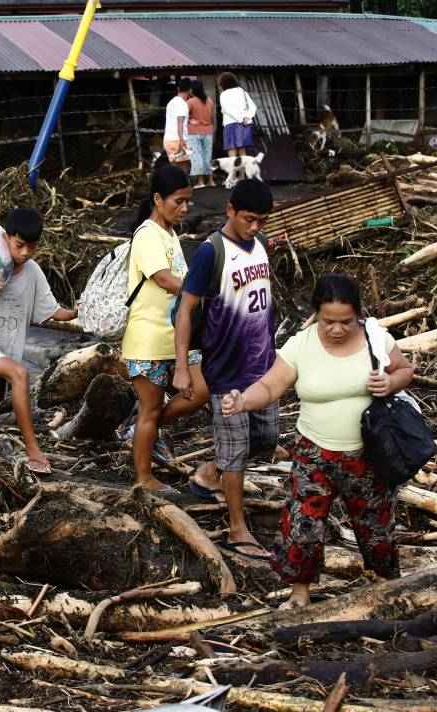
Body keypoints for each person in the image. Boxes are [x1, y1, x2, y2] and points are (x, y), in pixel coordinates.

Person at [221, 274, 414, 609]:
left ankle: (385, 584)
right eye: (328, 322)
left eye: (346, 322)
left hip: (368, 453)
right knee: (304, 523)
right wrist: (243, 401)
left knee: (376, 523)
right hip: (314, 453)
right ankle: (300, 591)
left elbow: (404, 369)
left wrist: (390, 381)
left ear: (358, 316)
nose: (337, 329)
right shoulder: (302, 344)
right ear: (316, 315)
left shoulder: (375, 338)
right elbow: (270, 386)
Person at [173, 177, 276, 560]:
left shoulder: (262, 245)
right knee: (236, 449)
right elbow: (184, 309)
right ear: (230, 210)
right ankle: (237, 528)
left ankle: (208, 473)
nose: (255, 227)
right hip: (227, 367)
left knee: (265, 439)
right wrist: (183, 366)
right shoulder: (210, 252)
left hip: (262, 364)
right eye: (249, 219)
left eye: (262, 220)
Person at [0, 207, 78, 475]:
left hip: (2, 350)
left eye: (32, 247)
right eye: (19, 245)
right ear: (6, 237)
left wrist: (74, 313)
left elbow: (52, 310)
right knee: (20, 374)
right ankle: (33, 451)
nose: (25, 253)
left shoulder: (32, 272)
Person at [122, 166, 209, 498]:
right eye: (179, 201)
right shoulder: (147, 234)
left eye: (188, 201)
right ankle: (143, 478)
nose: (185, 208)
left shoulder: (170, 233)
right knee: (151, 407)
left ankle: (145, 432)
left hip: (179, 336)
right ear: (158, 199)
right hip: (148, 340)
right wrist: (201, 295)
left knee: (201, 390)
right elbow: (164, 279)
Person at [218, 72, 257, 158]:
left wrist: (240, 119)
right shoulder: (243, 92)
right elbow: (253, 106)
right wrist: (248, 117)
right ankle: (242, 172)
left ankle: (233, 172)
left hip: (230, 124)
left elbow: (227, 109)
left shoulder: (224, 94)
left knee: (232, 153)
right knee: (242, 153)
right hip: (244, 124)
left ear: (222, 83)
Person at [185, 80, 216, 189]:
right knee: (208, 156)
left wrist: (190, 121)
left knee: (197, 156)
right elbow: (211, 117)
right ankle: (211, 181)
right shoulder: (210, 101)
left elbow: (183, 116)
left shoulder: (190, 102)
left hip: (194, 132)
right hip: (208, 131)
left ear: (192, 90)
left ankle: (200, 182)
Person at [163, 78, 193, 171]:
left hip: (168, 139)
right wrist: (181, 139)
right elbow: (179, 122)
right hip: (178, 140)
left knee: (175, 170)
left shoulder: (171, 102)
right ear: (190, 90)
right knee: (184, 169)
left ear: (178, 89)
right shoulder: (182, 104)